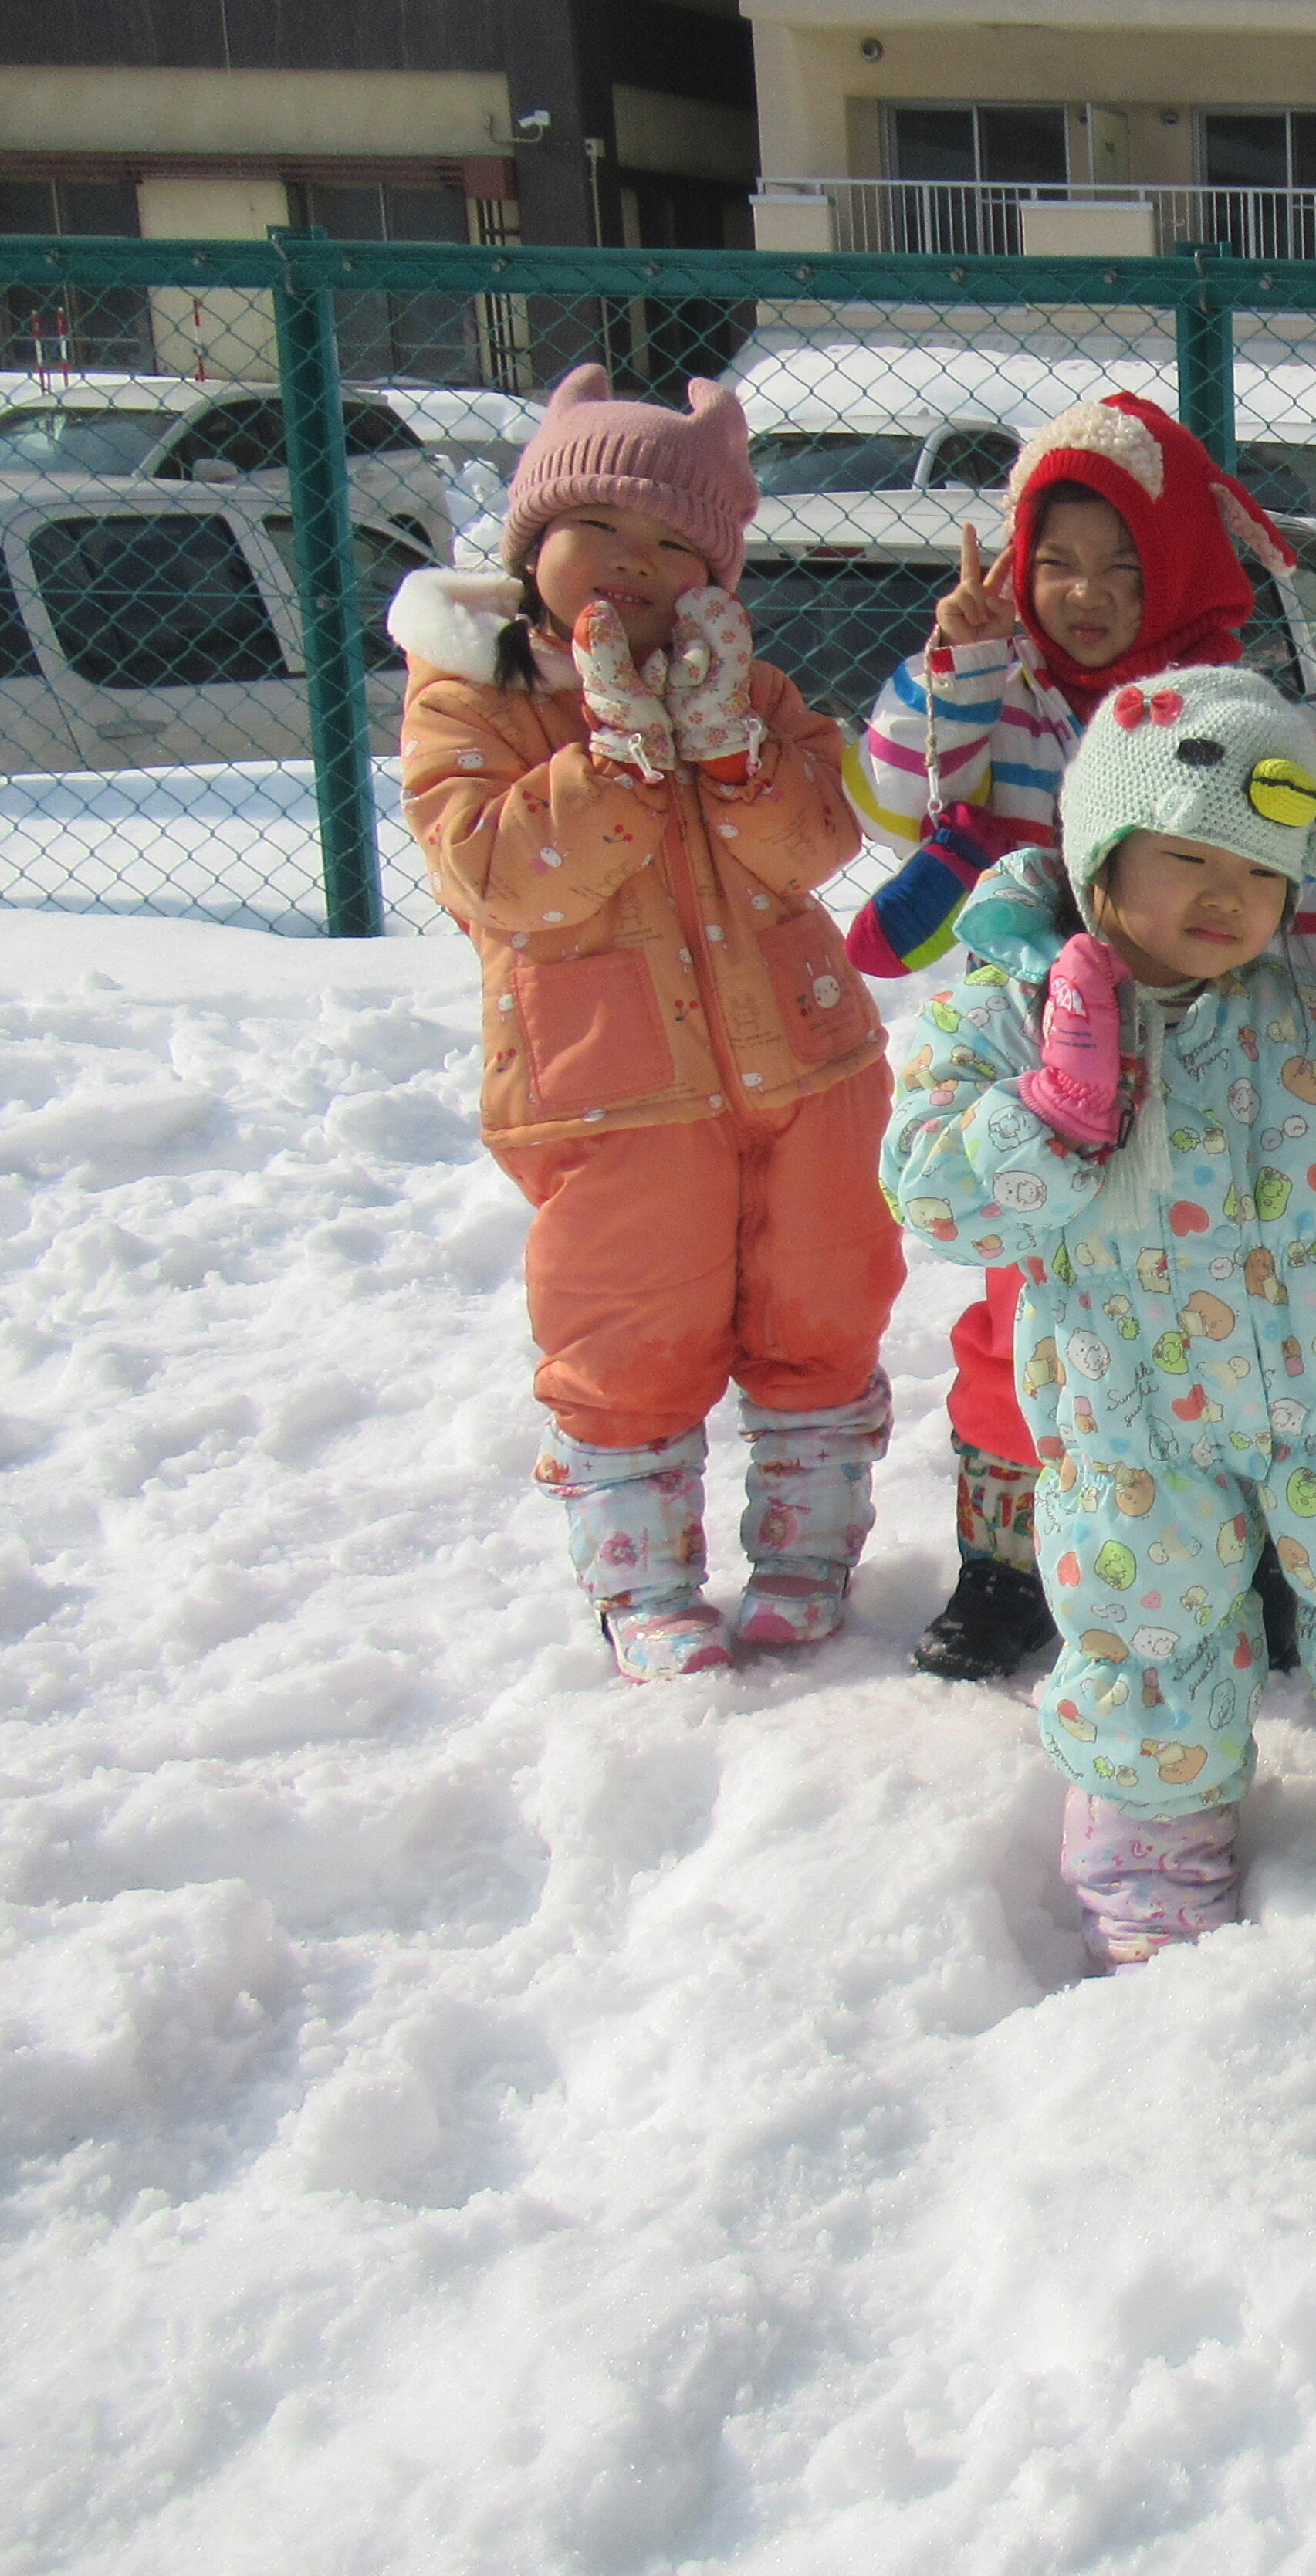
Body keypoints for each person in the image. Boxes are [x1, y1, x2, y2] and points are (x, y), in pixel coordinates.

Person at [881, 668, 1316, 1957]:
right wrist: (1048, 1111)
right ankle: (1149, 1847)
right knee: (1146, 1626)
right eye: (1185, 856)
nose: (1226, 896)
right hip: (1133, 1417)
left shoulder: (1307, 1021)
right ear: (1100, 852)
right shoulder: (1000, 1008)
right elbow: (935, 1197)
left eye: (1260, 871)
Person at [391, 364, 905, 1682]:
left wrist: (731, 746)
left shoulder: (752, 689)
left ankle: (806, 1552)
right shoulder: (474, 702)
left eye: (676, 543)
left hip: (805, 1068)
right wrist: (610, 755)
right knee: (628, 1328)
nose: (635, 564)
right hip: (609, 1095)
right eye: (601, 533)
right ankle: (644, 1581)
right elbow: (494, 877)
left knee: (824, 1301)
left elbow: (814, 842)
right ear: (529, 544)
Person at [840, 395, 1316, 1687]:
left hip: (1210, 1067)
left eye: (1124, 567)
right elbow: (899, 791)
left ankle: (1245, 1556)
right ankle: (1008, 1561)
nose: (1085, 593)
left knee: (1232, 1320)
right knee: (1024, 1322)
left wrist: (1306, 1036)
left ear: (1175, 567)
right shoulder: (998, 695)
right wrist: (951, 660)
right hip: (1040, 1074)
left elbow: (1311, 873)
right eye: (1056, 561)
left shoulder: (1223, 708)